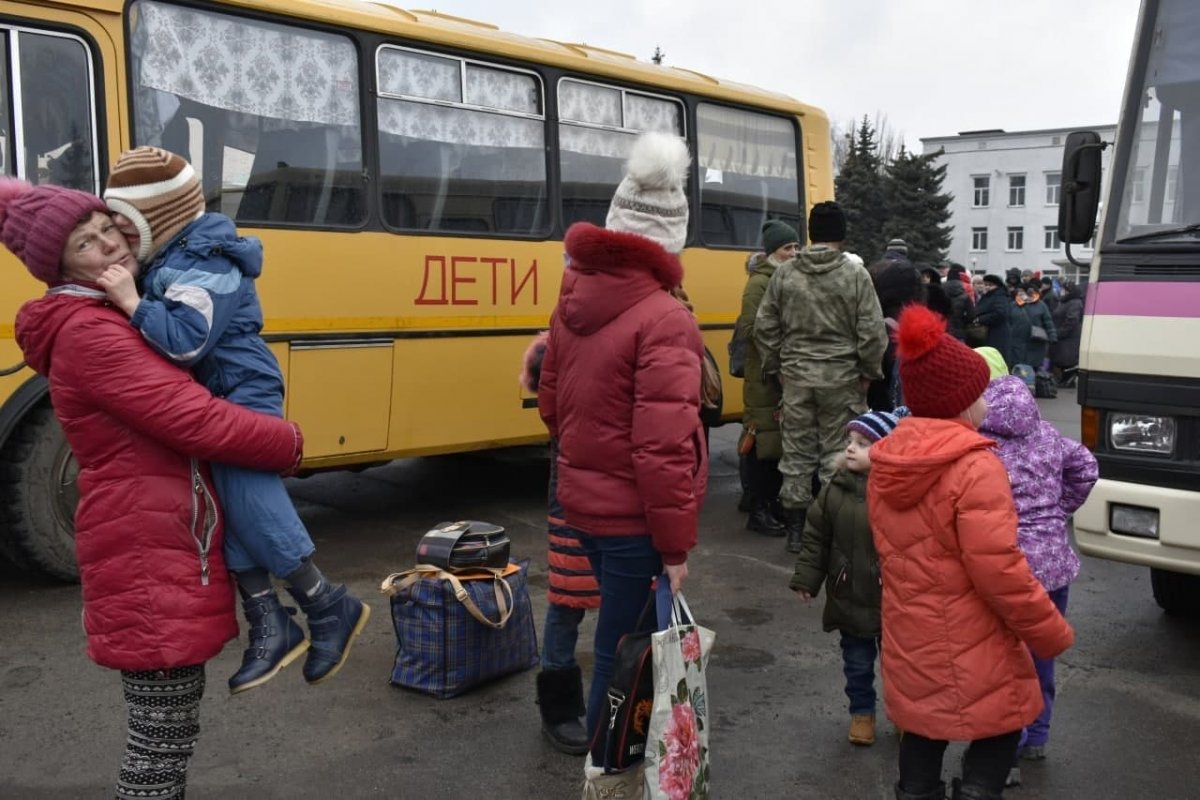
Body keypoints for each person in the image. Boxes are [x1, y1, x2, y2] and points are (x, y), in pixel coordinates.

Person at [2, 179, 303, 799]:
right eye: (85, 244)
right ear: (60, 270)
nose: (108, 245)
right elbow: (194, 418)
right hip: (146, 547)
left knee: (167, 737)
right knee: (157, 747)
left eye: (105, 226)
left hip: (155, 536)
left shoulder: (112, 310)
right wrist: (289, 443)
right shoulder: (93, 333)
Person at [99, 147, 369, 694]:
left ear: (160, 217)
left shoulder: (210, 259)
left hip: (244, 389)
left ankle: (325, 602)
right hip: (209, 398)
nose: (122, 240)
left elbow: (186, 340)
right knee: (224, 508)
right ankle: (270, 620)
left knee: (249, 496)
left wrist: (132, 302)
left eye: (128, 226)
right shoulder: (171, 260)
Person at [537, 131, 706, 742]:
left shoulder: (570, 302)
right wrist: (676, 547)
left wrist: (588, 460)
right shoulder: (666, 317)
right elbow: (663, 450)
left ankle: (611, 751)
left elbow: (552, 407)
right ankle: (609, 761)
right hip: (634, 520)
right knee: (619, 649)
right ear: (671, 237)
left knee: (612, 634)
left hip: (583, 507)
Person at [867, 303, 1075, 800]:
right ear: (962, 402)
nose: (988, 401)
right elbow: (998, 569)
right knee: (1002, 722)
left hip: (911, 633)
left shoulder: (887, 460)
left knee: (922, 726)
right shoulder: (975, 467)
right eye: (981, 392)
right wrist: (1048, 628)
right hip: (974, 635)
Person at [978, 372, 1098, 786]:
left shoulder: (984, 448)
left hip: (1009, 568)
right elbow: (1086, 466)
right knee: (1042, 653)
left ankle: (1009, 746)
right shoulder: (1048, 436)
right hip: (1054, 566)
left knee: (1008, 659)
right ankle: (1038, 735)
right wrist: (1058, 508)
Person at [755, 201, 887, 554]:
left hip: (797, 377)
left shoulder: (784, 274)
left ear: (810, 233)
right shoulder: (855, 274)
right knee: (836, 453)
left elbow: (764, 326)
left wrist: (778, 367)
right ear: (842, 234)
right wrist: (867, 373)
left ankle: (796, 532)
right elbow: (873, 331)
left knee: (796, 453)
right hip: (842, 379)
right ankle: (831, 530)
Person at [790, 408, 904, 748]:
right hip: (849, 594)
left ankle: (902, 716)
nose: (851, 448)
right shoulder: (834, 490)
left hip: (893, 599)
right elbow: (816, 538)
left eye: (864, 443)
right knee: (857, 663)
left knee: (899, 665)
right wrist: (807, 579)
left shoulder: (899, 492)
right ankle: (862, 714)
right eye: (849, 442)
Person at [521, 331, 601, 755]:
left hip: (617, 476)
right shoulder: (568, 331)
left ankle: (627, 698)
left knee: (637, 596)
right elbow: (548, 398)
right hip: (578, 473)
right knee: (569, 591)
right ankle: (559, 706)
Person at [738, 219, 800, 536]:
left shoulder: (785, 278)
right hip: (765, 375)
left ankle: (771, 503)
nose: (794, 252)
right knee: (764, 443)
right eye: (787, 247)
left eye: (795, 247)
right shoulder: (760, 283)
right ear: (773, 251)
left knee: (778, 444)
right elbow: (751, 329)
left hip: (779, 372)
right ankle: (759, 509)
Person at [971, 274, 1012, 366]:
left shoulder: (999, 296)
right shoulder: (988, 296)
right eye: (986, 284)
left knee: (994, 361)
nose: (987, 287)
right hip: (989, 333)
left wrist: (980, 319)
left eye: (990, 285)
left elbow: (1000, 313)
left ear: (997, 286)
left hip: (996, 334)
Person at [1050, 281, 1085, 387]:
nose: (1062, 291)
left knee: (1067, 359)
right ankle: (1064, 379)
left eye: (1064, 289)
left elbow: (1072, 320)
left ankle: (1068, 380)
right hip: (1063, 335)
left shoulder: (1075, 302)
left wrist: (1060, 332)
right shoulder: (1064, 301)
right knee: (1061, 359)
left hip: (1069, 337)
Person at [1021, 285, 1057, 372]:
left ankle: (1034, 382)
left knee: (1034, 365)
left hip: (1036, 340)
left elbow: (1048, 322)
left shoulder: (1041, 305)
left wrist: (1052, 336)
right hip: (1020, 341)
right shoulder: (1018, 304)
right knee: (1021, 367)